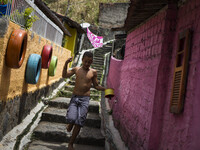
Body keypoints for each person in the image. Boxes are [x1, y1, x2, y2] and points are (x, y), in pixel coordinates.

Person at [62, 51, 106, 150]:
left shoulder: (93, 72)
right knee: (72, 118)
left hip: (85, 99)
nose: (87, 64)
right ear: (82, 60)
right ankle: (70, 123)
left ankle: (71, 143)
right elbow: (64, 75)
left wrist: (105, 89)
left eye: (89, 62)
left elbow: (96, 86)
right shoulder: (76, 69)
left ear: (92, 62)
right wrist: (66, 64)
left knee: (79, 121)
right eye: (85, 61)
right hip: (75, 97)